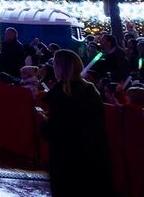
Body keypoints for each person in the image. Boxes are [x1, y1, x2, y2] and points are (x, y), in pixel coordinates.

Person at [40, 49, 113, 196]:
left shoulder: (60, 93)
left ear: (60, 68)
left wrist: (43, 121)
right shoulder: (90, 90)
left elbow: (55, 129)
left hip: (66, 157)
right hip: (92, 154)